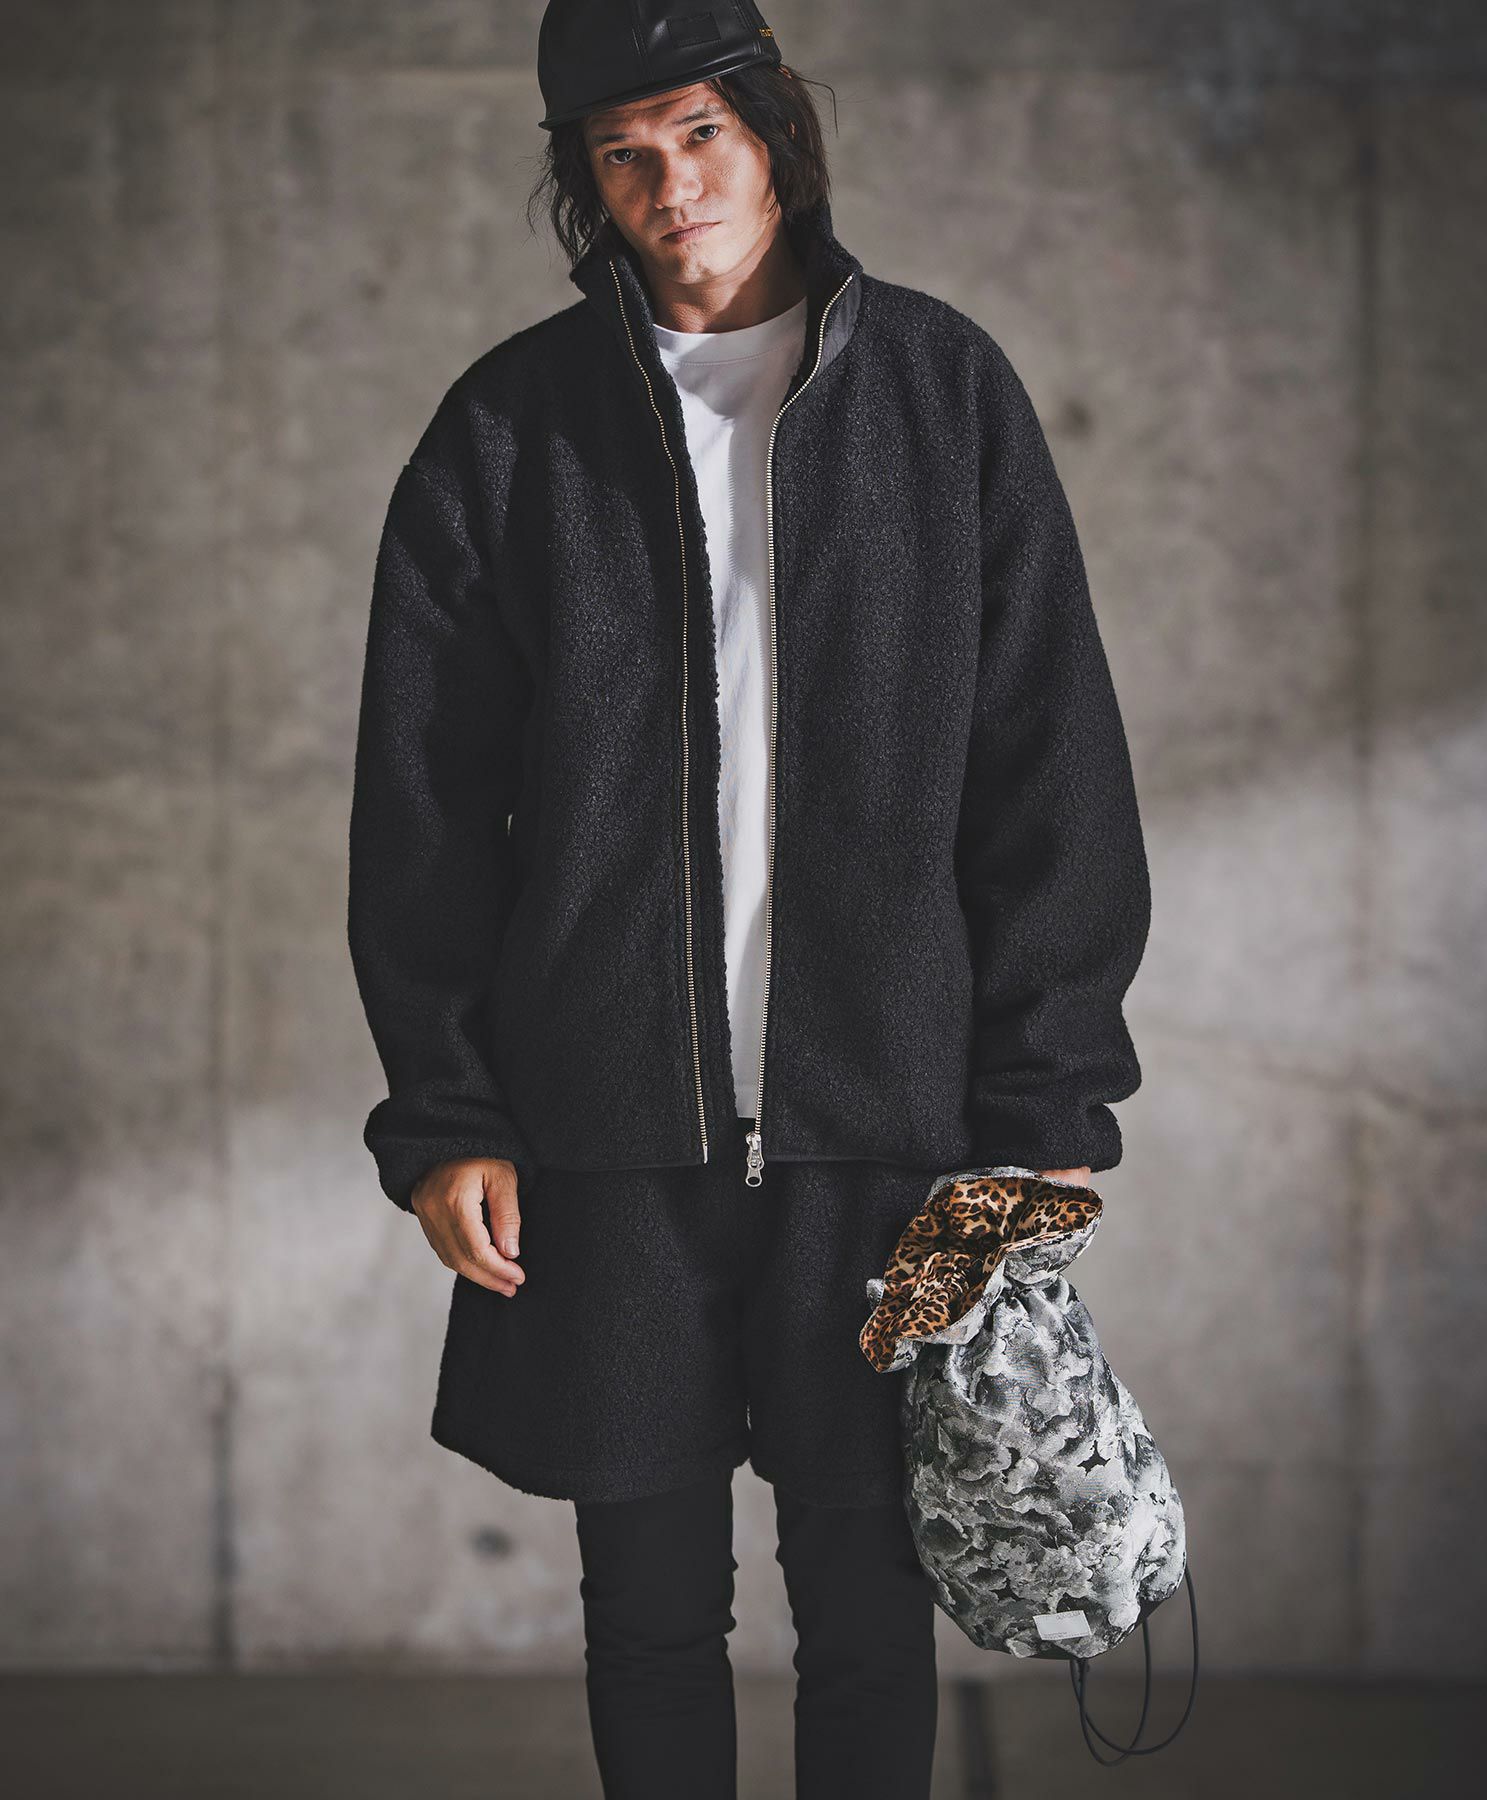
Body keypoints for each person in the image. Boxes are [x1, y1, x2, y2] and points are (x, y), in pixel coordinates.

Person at [346, 4, 1151, 1795]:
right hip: (603, 1133)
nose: (671, 183)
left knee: (868, 1607)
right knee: (644, 1612)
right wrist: (449, 1112)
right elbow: (423, 811)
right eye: (623, 154)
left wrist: (1045, 1109)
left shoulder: (942, 394)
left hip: (887, 1131)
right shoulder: (511, 426)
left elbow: (1052, 767)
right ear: (587, 184)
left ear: (776, 134)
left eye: (701, 133)